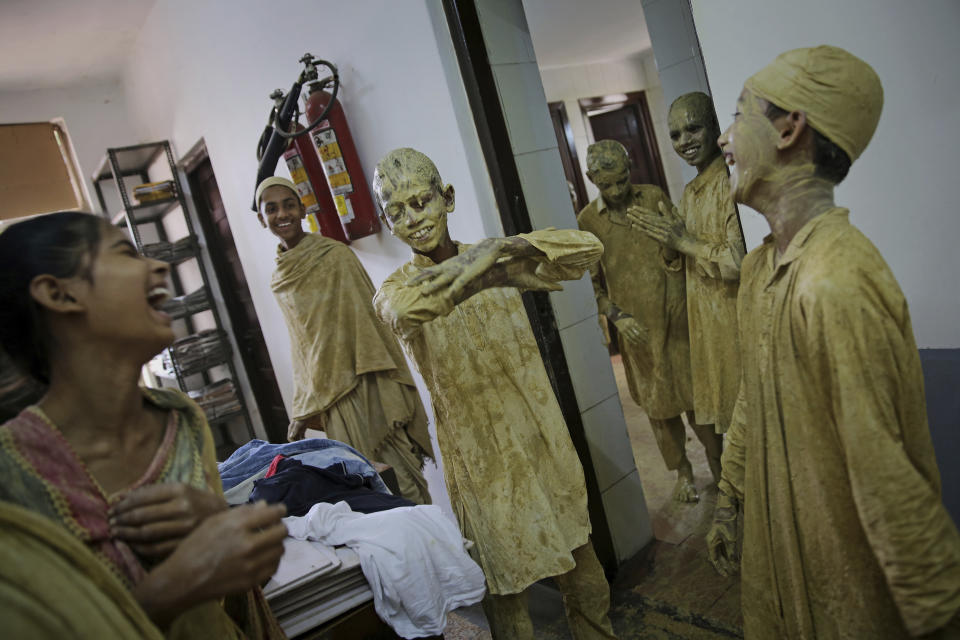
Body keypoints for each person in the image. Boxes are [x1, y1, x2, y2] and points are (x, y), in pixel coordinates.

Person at [705, 46, 960, 638]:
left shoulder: (835, 279)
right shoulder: (759, 270)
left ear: (789, 126)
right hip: (778, 573)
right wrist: (729, 496)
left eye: (739, 113)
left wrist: (942, 619)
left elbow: (889, 484)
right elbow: (753, 394)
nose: (723, 138)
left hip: (844, 595)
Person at [0, 212, 288, 638]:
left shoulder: (180, 417)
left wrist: (216, 516)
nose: (159, 265)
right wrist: (168, 593)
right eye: (124, 253)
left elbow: (242, 586)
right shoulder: (10, 474)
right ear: (58, 294)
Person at [371, 148, 617, 640]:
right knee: (506, 600)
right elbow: (403, 313)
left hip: (542, 443)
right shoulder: (395, 288)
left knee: (586, 578)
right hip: (480, 466)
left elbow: (589, 249)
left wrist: (508, 248)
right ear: (385, 221)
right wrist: (480, 273)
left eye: (422, 202)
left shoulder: (497, 256)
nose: (413, 220)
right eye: (396, 212)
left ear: (449, 199)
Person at [256, 176, 434, 505]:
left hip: (368, 381)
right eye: (272, 209)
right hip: (331, 397)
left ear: (302, 208)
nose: (282, 214)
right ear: (261, 218)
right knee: (364, 482)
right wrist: (303, 406)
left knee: (400, 478)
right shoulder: (279, 278)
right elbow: (304, 347)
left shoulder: (334, 255)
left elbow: (372, 321)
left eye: (289, 204)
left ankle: (438, 545)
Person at [579, 139, 716, 502]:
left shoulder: (654, 196)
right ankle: (683, 472)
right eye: (606, 185)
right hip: (637, 332)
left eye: (621, 180)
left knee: (697, 397)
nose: (616, 190)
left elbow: (681, 244)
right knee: (660, 409)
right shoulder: (589, 221)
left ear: (630, 168)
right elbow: (592, 286)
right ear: (590, 178)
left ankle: (721, 465)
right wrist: (617, 318)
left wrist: (673, 241)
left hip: (677, 316)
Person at [629, 92, 745, 449]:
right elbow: (681, 264)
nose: (684, 142)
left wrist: (682, 242)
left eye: (693, 128)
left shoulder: (730, 182)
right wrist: (668, 246)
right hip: (706, 326)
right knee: (732, 430)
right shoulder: (692, 192)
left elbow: (740, 262)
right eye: (676, 135)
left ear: (714, 128)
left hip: (736, 321)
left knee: (752, 423)